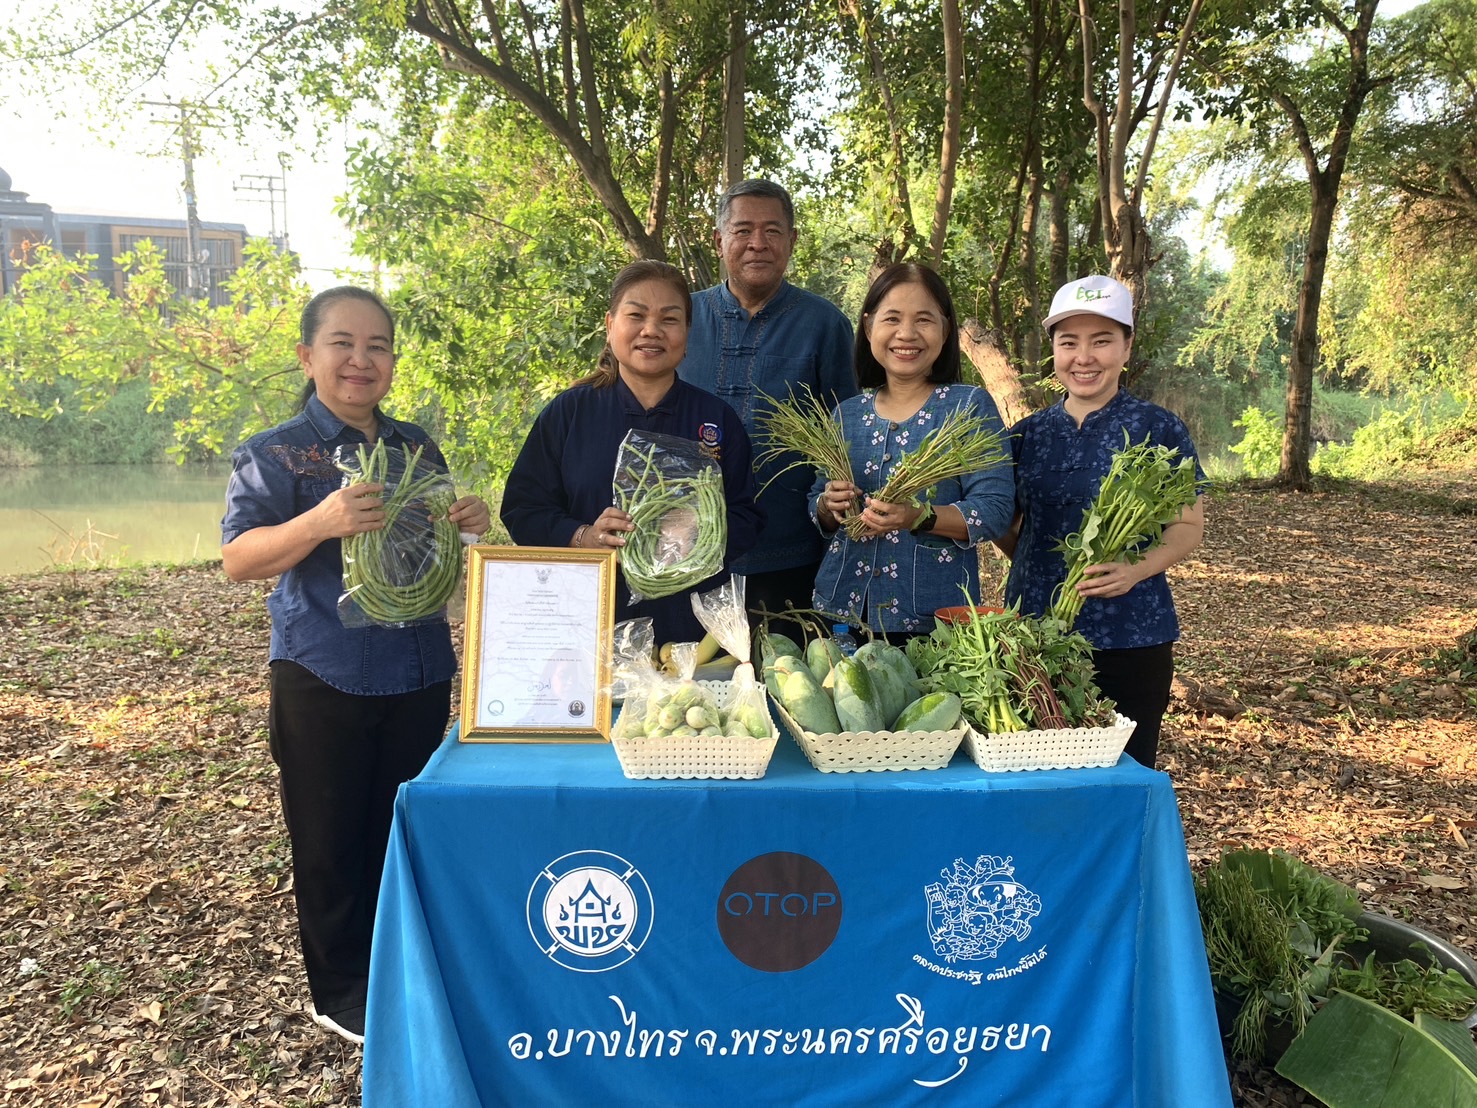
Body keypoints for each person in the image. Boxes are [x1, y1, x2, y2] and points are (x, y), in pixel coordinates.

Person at [219, 286, 490, 1046]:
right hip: (323, 669)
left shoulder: (415, 447)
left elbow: (434, 556)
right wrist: (320, 520)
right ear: (308, 357)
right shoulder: (275, 452)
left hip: (416, 667)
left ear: (393, 361)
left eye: (377, 346)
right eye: (342, 343)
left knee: (401, 828)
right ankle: (339, 993)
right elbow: (238, 558)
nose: (360, 360)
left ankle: (397, 968)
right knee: (330, 839)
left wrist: (469, 525)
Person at [998, 274, 1206, 769]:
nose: (1083, 357)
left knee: (1124, 775)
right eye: (1069, 342)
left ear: (1127, 347)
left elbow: (1187, 527)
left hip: (1131, 636)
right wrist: (1044, 565)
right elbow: (1005, 524)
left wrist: (1133, 570)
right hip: (1035, 630)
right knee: (1035, 774)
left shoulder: (1158, 428)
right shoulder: (1026, 435)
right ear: (1053, 350)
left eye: (1102, 341)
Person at [501, 260, 763, 644]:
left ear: (687, 333)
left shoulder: (715, 419)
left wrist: (699, 529)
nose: (651, 331)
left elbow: (748, 515)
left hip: (690, 633)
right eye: (636, 315)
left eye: (669, 319)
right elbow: (522, 510)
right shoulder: (570, 413)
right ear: (610, 326)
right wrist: (583, 537)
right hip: (586, 628)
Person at [678, 178, 858, 620]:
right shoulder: (681, 316)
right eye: (743, 231)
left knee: (784, 678)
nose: (758, 243)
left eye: (772, 231)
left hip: (789, 556)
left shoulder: (825, 324)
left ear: (792, 241)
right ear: (719, 240)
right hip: (683, 551)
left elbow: (844, 436)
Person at [811, 262, 1014, 635]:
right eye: (892, 319)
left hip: (931, 622)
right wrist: (828, 504)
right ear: (869, 326)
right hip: (841, 613)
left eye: (923, 319)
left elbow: (995, 509)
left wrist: (918, 516)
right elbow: (817, 501)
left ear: (945, 329)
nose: (906, 334)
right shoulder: (846, 414)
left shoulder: (966, 407)